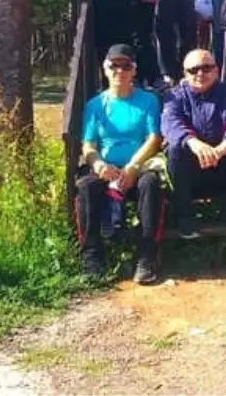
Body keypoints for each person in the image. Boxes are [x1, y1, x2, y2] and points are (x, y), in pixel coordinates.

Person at [76, 44, 166, 285]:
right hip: (107, 169)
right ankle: (92, 258)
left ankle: (147, 257)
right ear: (105, 69)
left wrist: (133, 167)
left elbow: (154, 139)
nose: (120, 71)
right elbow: (89, 145)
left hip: (138, 167)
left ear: (134, 70)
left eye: (126, 66)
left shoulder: (148, 100)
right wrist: (99, 166)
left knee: (151, 185)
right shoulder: (94, 105)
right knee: (86, 187)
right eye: (114, 65)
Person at [161, 49, 226, 240]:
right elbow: (170, 124)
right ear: (185, 74)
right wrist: (194, 144)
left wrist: (222, 148)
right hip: (190, 171)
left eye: (206, 68)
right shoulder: (174, 97)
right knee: (175, 148)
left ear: (217, 70)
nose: (200, 74)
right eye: (193, 70)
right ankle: (185, 219)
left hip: (222, 166)